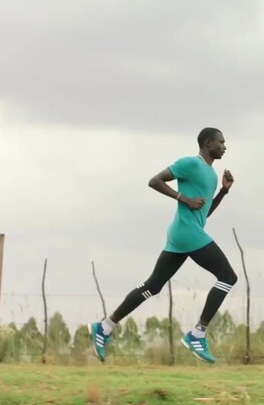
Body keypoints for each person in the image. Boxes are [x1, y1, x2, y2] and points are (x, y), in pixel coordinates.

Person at [89, 127, 237, 364]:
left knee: (152, 286)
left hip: (185, 232)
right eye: (221, 142)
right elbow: (154, 181)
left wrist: (223, 191)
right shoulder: (190, 163)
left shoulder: (210, 173)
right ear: (208, 143)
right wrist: (183, 199)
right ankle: (197, 334)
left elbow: (204, 213)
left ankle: (104, 327)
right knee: (228, 277)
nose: (225, 146)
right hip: (187, 233)